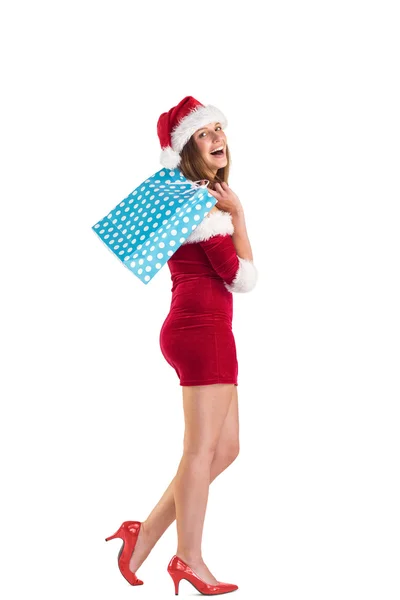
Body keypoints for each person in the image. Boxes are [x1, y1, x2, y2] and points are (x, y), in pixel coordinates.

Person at [105, 96, 258, 596]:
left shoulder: (194, 198)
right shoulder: (200, 206)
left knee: (226, 448)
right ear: (187, 149)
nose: (217, 139)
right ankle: (188, 558)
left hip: (206, 329)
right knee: (198, 453)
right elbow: (243, 277)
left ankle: (143, 534)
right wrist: (239, 215)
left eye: (219, 129)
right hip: (201, 331)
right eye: (203, 134)